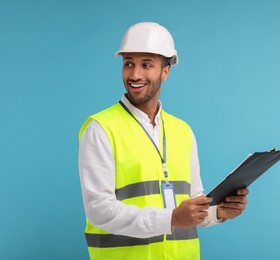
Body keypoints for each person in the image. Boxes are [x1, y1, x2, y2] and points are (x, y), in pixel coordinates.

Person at [78, 22, 249, 260]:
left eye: (146, 64)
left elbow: (194, 204)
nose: (135, 75)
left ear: (165, 71)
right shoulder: (100, 129)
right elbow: (100, 211)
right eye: (129, 64)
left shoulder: (182, 131)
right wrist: (171, 218)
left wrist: (219, 212)